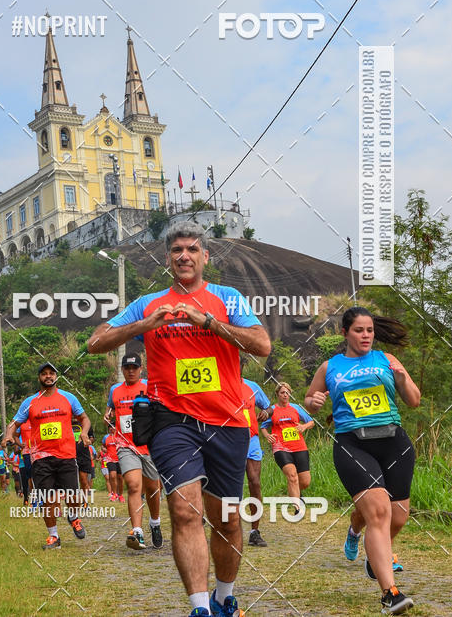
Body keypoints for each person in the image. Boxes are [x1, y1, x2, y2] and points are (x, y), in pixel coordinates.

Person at [88, 222, 271, 617]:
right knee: (186, 511)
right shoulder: (149, 303)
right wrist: (145, 325)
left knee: (227, 520)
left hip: (229, 421)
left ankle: (225, 597)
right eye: (176, 250)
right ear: (167, 259)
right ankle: (200, 607)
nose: (184, 256)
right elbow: (96, 341)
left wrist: (206, 322)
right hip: (173, 422)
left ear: (205, 257)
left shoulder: (228, 298)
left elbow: (262, 345)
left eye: (191, 249)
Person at [305, 306, 420, 615]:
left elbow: (414, 400)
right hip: (352, 444)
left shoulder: (387, 360)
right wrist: (313, 401)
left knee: (397, 517)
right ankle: (390, 593)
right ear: (345, 333)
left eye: (369, 330)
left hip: (394, 442)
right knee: (379, 513)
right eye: (359, 330)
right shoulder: (330, 366)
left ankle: (368, 546)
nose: (366, 335)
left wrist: (402, 378)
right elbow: (311, 401)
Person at [3, 361, 91, 549]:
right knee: (48, 498)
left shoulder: (68, 398)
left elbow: (84, 418)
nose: (48, 376)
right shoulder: (30, 402)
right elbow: (14, 423)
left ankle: (73, 516)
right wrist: (9, 435)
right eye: (44, 374)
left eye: (51, 373)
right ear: (39, 378)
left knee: (73, 496)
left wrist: (84, 432)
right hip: (40, 458)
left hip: (66, 455)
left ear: (56, 376)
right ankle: (54, 537)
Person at [105, 352, 163, 550]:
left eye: (134, 368)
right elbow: (110, 410)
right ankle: (137, 532)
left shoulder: (150, 387)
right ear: (122, 369)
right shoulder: (115, 391)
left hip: (149, 445)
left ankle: (155, 523)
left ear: (141, 369)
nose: (131, 371)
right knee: (133, 485)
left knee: (153, 488)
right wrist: (108, 415)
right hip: (125, 445)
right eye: (127, 368)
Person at [261, 382, 314, 504]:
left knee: (305, 482)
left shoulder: (296, 408)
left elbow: (311, 422)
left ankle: (294, 491)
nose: (285, 395)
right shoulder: (272, 410)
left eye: (287, 392)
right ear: (277, 394)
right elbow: (263, 427)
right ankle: (298, 507)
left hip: (299, 446)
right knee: (292, 476)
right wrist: (268, 436)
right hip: (281, 448)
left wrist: (304, 427)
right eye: (282, 393)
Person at [240, 374, 271, 547]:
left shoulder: (252, 386)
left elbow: (269, 407)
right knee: (231, 484)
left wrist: (266, 412)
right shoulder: (219, 383)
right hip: (229, 439)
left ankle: (254, 532)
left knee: (255, 482)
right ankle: (229, 528)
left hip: (251, 439)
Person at [102, 427, 124, 502]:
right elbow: (103, 446)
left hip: (120, 459)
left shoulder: (120, 436)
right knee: (112, 475)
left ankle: (120, 495)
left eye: (113, 428)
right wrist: (104, 449)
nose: (111, 429)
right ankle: (114, 494)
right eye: (110, 428)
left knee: (120, 478)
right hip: (110, 459)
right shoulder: (106, 437)